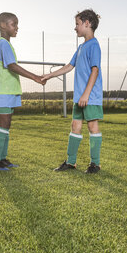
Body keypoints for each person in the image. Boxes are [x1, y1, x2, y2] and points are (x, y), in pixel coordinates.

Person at [42, 9, 103, 174]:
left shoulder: (94, 45)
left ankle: (95, 164)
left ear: (87, 23)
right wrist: (50, 74)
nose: (75, 28)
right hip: (80, 97)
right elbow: (69, 66)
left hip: (90, 96)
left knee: (92, 126)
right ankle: (70, 162)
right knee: (75, 125)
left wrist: (86, 94)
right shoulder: (82, 47)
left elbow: (95, 71)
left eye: (77, 24)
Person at [0, 12, 46, 171]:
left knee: (6, 125)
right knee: (3, 124)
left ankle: (2, 159)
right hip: (1, 92)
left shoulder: (6, 44)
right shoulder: (3, 44)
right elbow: (11, 66)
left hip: (7, 92)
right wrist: (35, 77)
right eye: (14, 24)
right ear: (3, 25)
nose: (17, 28)